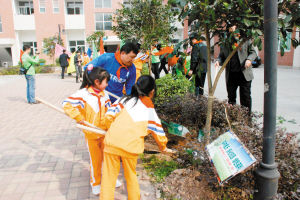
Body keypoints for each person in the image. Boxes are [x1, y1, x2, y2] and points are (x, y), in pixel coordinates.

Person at [99, 75, 173, 200]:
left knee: (108, 177)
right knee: (130, 176)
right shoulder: (149, 110)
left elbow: (107, 118)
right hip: (131, 147)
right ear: (152, 91)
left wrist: (108, 129)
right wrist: (163, 148)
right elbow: (159, 133)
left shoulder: (123, 100)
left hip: (111, 143)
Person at [62, 67, 121, 195]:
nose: (107, 84)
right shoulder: (83, 94)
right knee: (96, 160)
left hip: (105, 132)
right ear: (97, 82)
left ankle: (112, 178)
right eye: (106, 81)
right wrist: (79, 117)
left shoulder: (104, 93)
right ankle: (96, 183)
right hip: (92, 134)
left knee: (110, 157)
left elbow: (109, 110)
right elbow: (66, 104)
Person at [215, 25, 257, 114]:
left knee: (245, 97)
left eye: (234, 27)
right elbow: (221, 56)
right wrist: (218, 61)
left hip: (244, 74)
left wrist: (249, 60)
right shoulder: (225, 42)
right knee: (231, 98)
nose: (232, 29)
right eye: (230, 27)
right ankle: (233, 117)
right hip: (231, 74)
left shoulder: (245, 39)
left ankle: (247, 119)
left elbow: (253, 53)